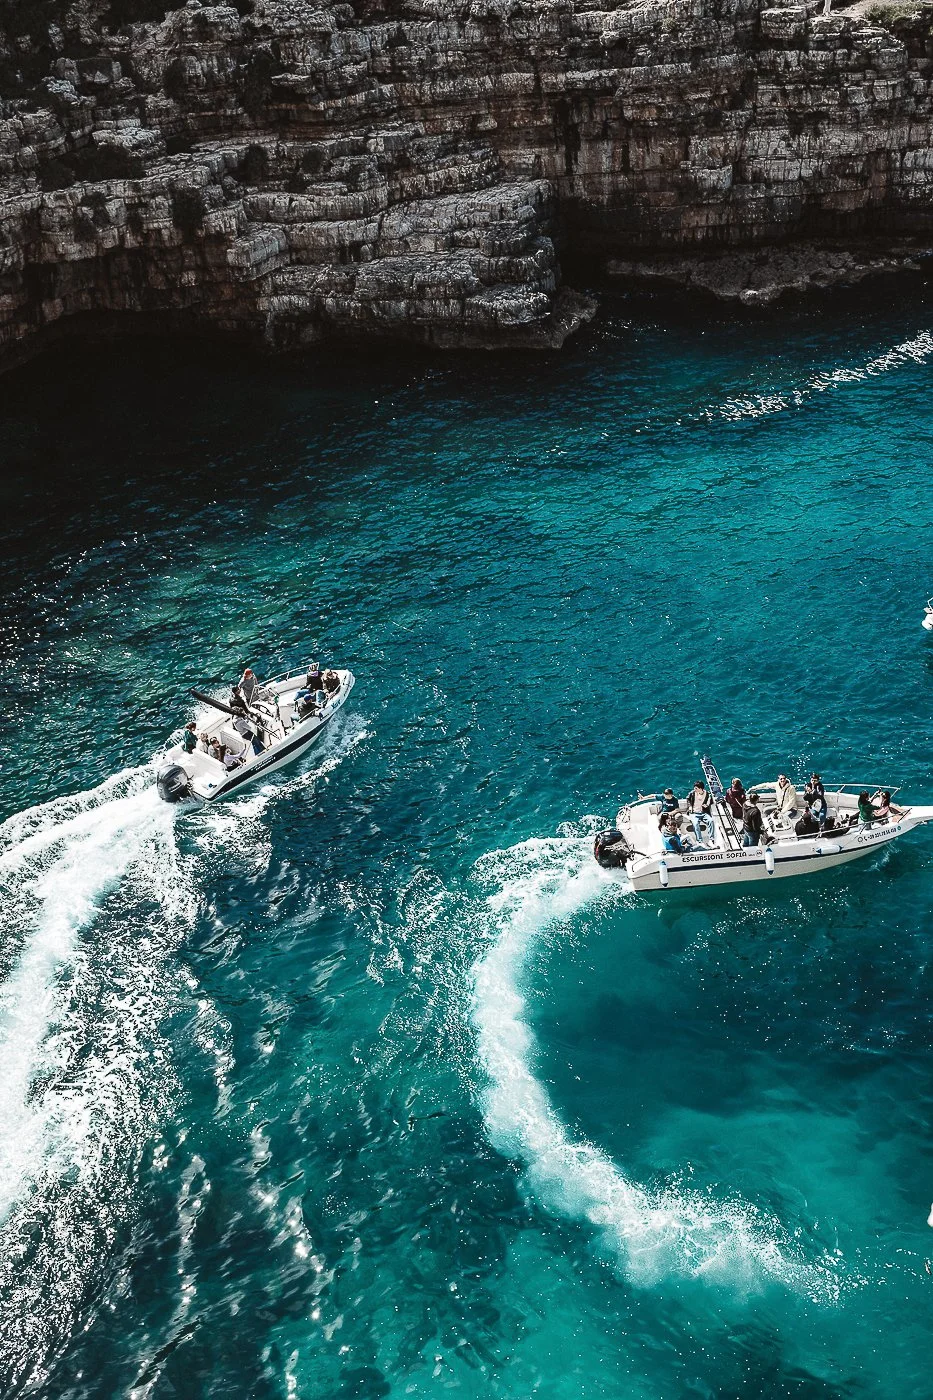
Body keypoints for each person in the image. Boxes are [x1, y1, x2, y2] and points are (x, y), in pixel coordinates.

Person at [685, 781, 714, 846]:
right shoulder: (692, 793)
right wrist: (690, 807)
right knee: (695, 824)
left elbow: (710, 801)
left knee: (711, 821)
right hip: (694, 813)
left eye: (696, 788)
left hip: (703, 813)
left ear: (701, 788)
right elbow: (688, 799)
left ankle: (711, 840)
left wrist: (707, 805)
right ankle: (699, 841)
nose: (694, 789)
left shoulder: (707, 794)